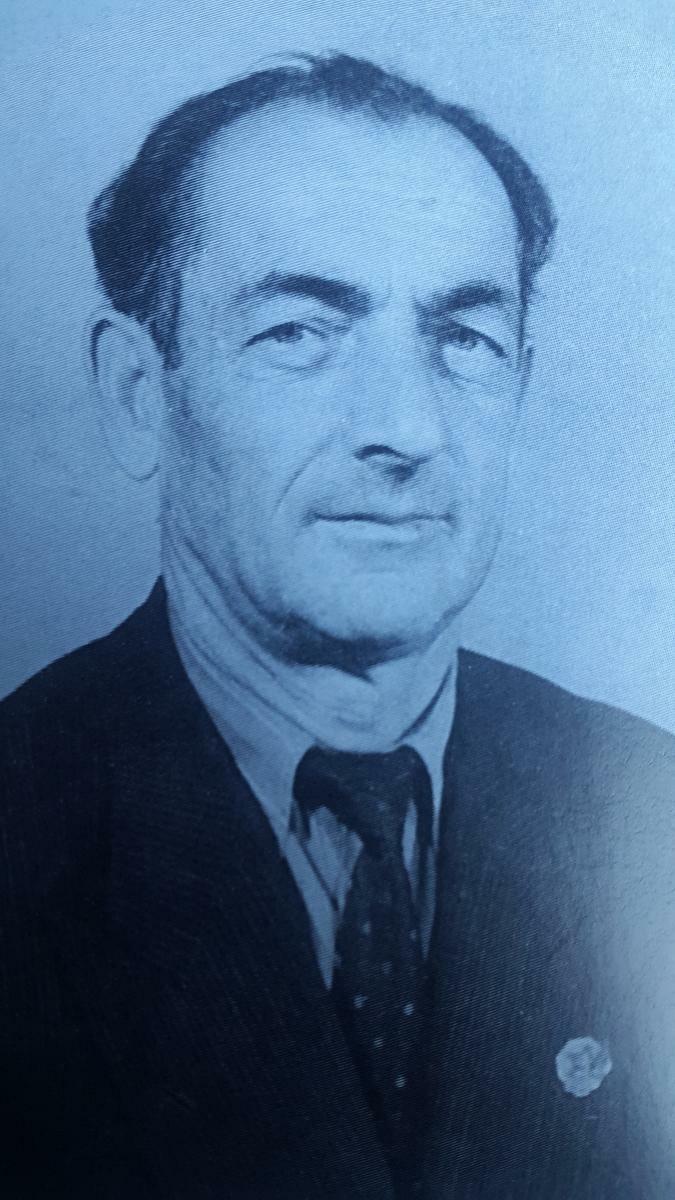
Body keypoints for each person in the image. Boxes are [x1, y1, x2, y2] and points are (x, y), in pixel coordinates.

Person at [1, 52, 674, 1200]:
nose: (406, 427)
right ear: (138, 393)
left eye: (462, 340)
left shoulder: (647, 808)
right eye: (300, 332)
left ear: (517, 385)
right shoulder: (24, 828)